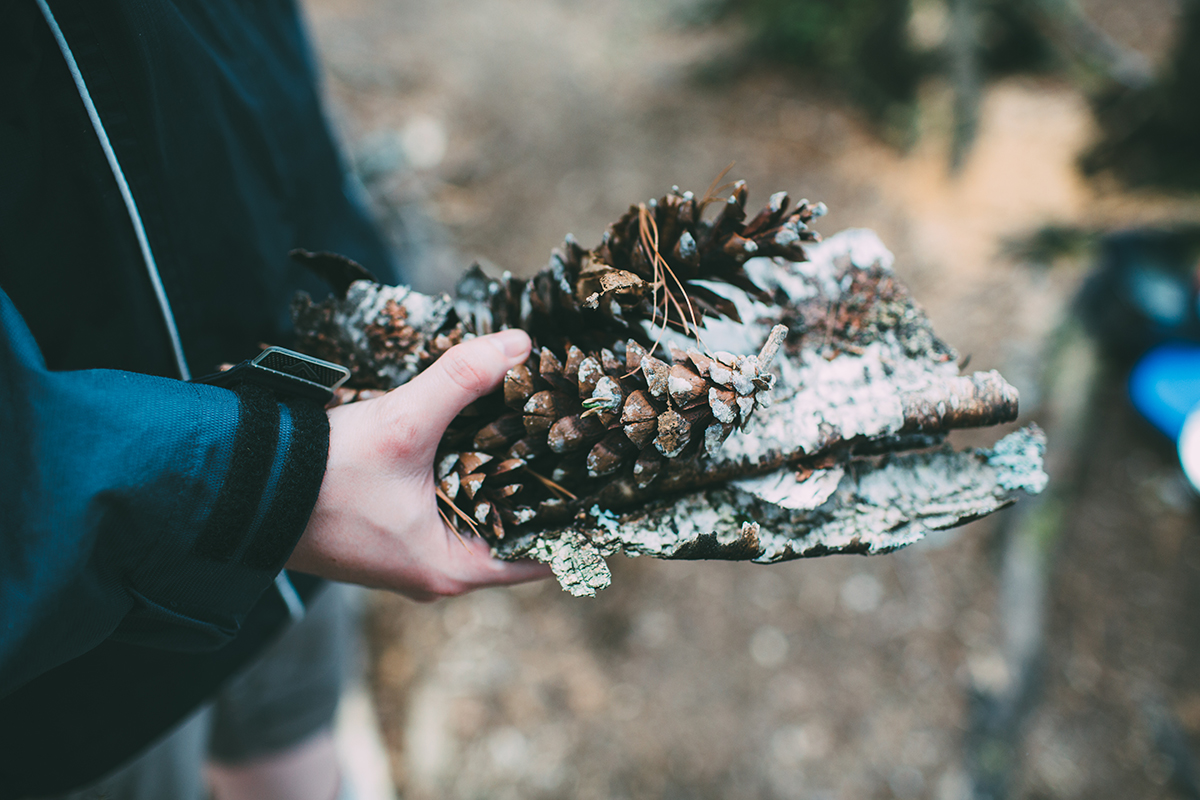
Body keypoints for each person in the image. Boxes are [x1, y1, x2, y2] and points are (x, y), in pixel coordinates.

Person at [0, 1, 548, 798]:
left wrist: (350, 269)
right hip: (77, 639)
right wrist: (269, 484)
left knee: (296, 749)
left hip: (315, 409)